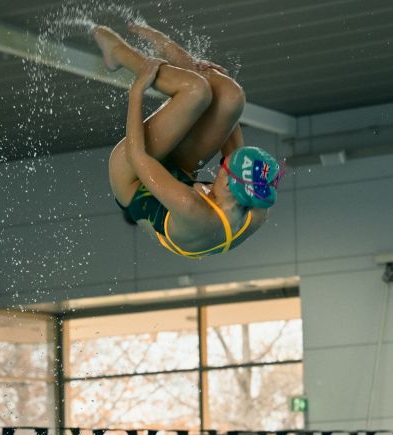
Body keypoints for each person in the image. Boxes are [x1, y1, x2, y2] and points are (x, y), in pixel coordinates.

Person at [92, 23, 283, 260]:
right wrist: (217, 80)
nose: (222, 162)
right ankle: (186, 61)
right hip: (179, 171)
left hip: (132, 178)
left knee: (194, 90)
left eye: (224, 166)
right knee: (231, 95)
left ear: (226, 185)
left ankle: (119, 53)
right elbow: (229, 120)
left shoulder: (192, 208)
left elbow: (137, 157)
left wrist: (137, 91)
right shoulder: (257, 207)